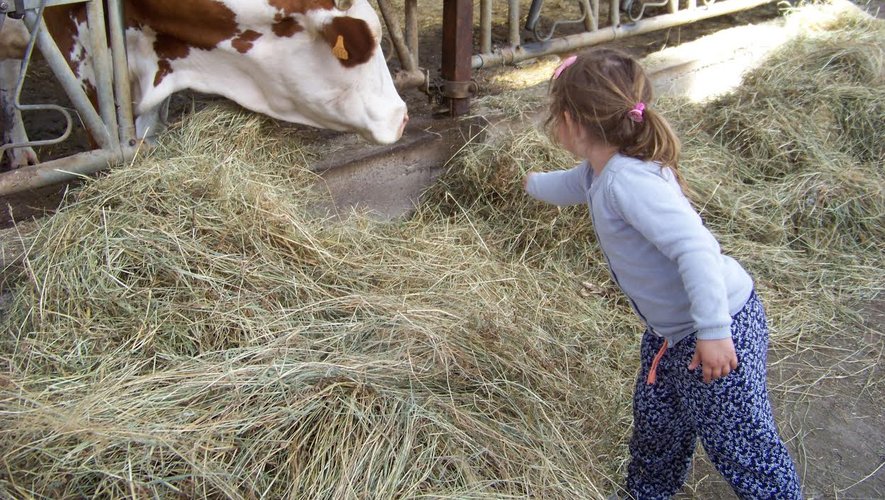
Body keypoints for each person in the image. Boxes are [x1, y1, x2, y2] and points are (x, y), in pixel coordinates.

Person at [523, 47, 802, 499]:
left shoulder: (628, 182)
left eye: (554, 114)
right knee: (658, 424)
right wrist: (532, 183)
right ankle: (647, 492)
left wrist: (713, 332)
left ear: (572, 121)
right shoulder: (602, 170)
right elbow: (574, 184)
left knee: (742, 443)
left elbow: (696, 249)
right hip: (671, 334)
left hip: (713, 332)